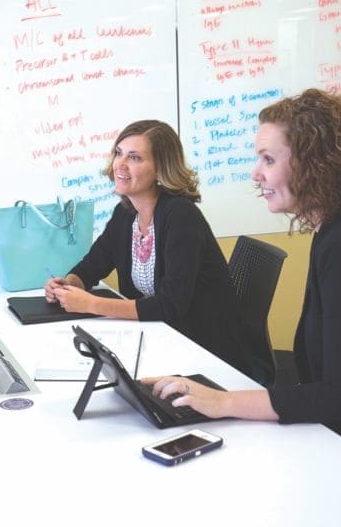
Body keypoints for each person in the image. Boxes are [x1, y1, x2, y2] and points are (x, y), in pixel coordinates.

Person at [142, 89, 341, 495]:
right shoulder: (340, 232)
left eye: (268, 159)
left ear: (313, 165)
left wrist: (223, 402)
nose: (256, 173)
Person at [44, 119, 246, 372]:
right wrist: (67, 286)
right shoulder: (126, 213)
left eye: (135, 158)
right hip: (159, 338)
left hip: (204, 350)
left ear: (161, 168)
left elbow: (170, 305)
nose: (121, 164)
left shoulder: (181, 216)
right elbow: (90, 268)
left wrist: (91, 304)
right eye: (119, 153)